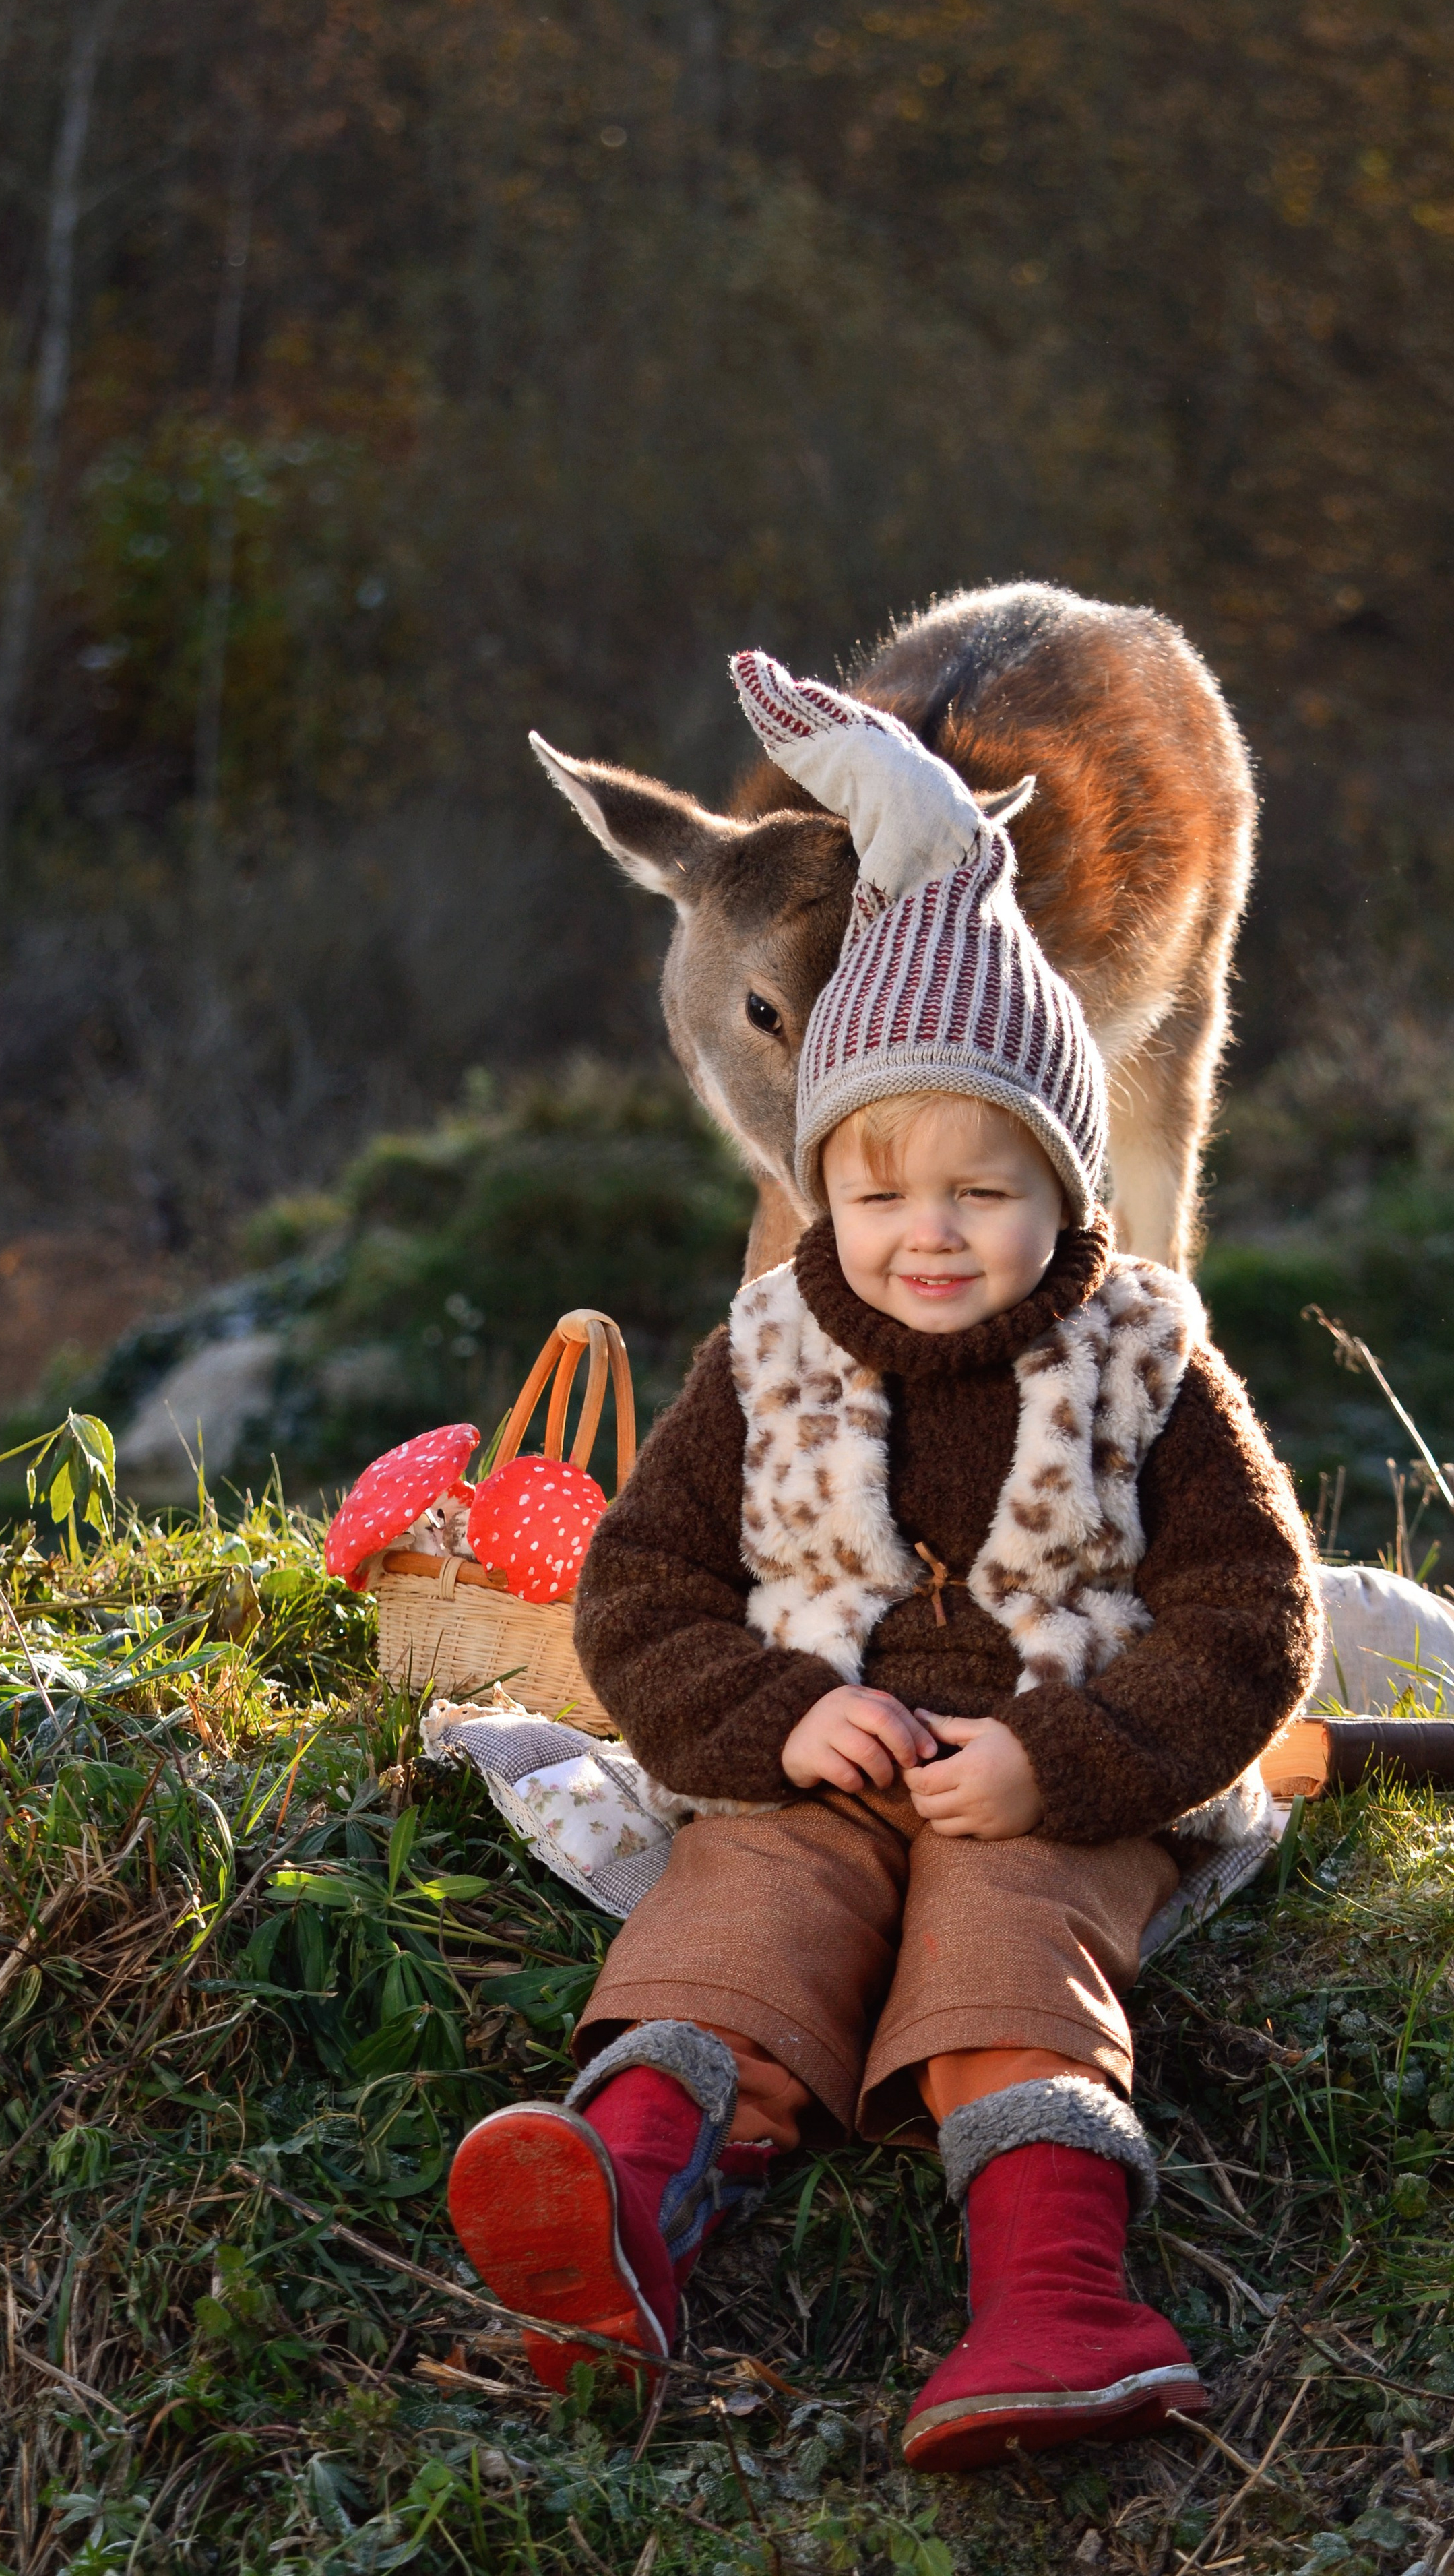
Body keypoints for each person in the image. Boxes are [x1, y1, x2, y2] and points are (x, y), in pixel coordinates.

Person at [445, 652, 1322, 2470]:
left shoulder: (1145, 1360)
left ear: (1067, 1182)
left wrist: (1070, 1757)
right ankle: (627, 2194)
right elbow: (643, 1593)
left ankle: (1055, 2295)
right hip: (822, 1753)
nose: (926, 1235)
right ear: (816, 1185)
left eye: (982, 1189)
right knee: (738, 1917)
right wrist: (774, 1718)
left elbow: (1255, 1617)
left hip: (1046, 1771)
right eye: (876, 1188)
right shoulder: (767, 1356)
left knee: (1016, 1957)